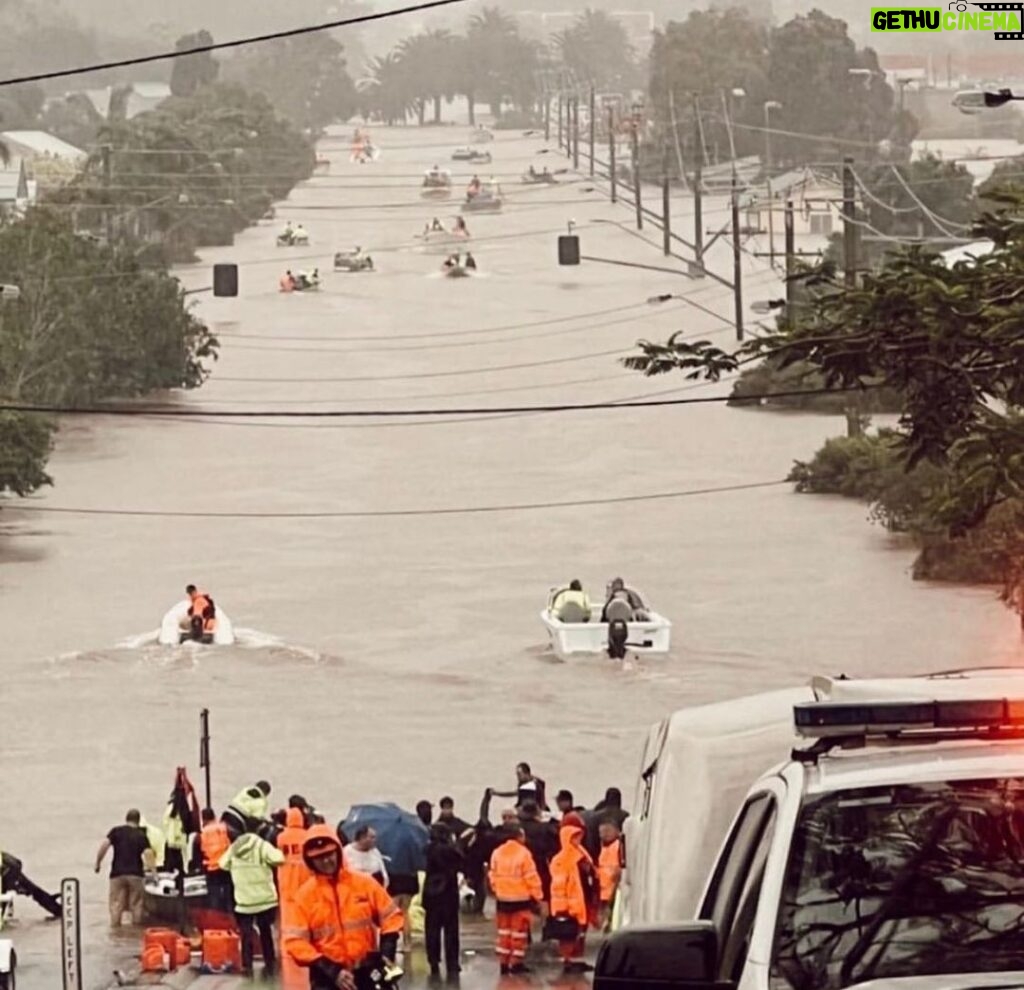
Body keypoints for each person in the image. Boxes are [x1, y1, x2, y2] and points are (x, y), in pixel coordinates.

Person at [284, 826, 403, 989]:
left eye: (329, 854)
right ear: (310, 861)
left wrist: (386, 952)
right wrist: (329, 968)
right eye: (319, 857)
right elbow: (295, 942)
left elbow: (391, 916)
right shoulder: (304, 897)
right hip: (327, 977)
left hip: (366, 972)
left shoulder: (364, 883)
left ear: (338, 852)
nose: (326, 861)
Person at [219, 828, 285, 978]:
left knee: (246, 934)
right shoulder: (261, 845)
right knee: (265, 932)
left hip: (244, 901)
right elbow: (279, 858)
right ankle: (270, 962)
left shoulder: (234, 848)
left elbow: (222, 864)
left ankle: (246, 965)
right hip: (265, 900)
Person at [488, 823, 544, 975]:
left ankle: (503, 963)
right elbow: (531, 877)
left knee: (503, 932)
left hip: (502, 900)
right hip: (520, 900)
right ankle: (516, 963)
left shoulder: (497, 853)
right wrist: (538, 897)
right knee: (518, 933)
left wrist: (497, 890)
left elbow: (492, 875)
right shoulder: (524, 853)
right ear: (519, 836)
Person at [549, 814, 598, 973]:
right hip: (572, 905)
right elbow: (558, 887)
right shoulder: (561, 859)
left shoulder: (582, 854)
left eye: (580, 835)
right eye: (575, 835)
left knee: (581, 933)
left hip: (584, 899)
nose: (578, 839)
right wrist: (562, 908)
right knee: (568, 935)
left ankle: (576, 959)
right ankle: (568, 961)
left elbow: (591, 874)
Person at [94, 809, 150, 927]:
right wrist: (153, 872)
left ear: (126, 819)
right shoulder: (141, 835)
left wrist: (98, 863)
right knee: (136, 903)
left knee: (116, 903)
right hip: (136, 874)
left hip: (117, 874)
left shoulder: (116, 831)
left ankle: (115, 930)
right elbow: (148, 853)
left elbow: (104, 845)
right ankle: (135, 930)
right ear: (138, 821)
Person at [423, 823, 463, 979]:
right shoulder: (449, 850)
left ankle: (433, 961)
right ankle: (452, 962)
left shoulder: (428, 850)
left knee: (432, 929)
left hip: (431, 893)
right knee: (451, 930)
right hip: (448, 893)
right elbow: (461, 859)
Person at [519, 800, 558, 904]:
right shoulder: (544, 828)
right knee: (544, 893)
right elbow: (553, 847)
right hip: (540, 863)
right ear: (537, 812)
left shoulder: (517, 829)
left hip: (521, 865)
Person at [196, 808, 233, 913]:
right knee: (228, 891)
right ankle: (229, 913)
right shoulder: (224, 828)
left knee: (214, 893)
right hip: (226, 865)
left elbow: (199, 851)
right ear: (214, 816)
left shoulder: (203, 833)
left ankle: (215, 914)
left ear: (203, 819)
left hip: (211, 866)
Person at [597, 820, 622, 931]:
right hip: (603, 888)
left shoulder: (618, 846)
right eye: (602, 832)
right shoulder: (602, 847)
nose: (604, 834)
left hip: (614, 886)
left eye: (608, 831)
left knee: (612, 909)